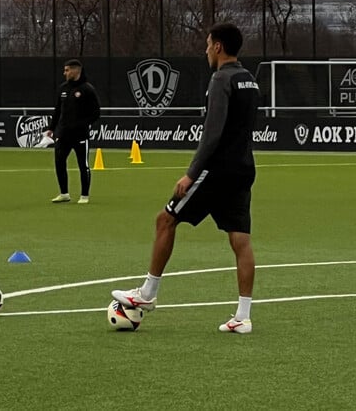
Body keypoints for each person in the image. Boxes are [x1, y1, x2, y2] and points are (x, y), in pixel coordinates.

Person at [111, 22, 260, 334]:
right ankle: (243, 316)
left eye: (208, 44)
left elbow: (212, 132)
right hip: (244, 168)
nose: (205, 49)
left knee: (165, 220)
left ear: (218, 46)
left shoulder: (221, 79)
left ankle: (147, 294)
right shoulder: (249, 80)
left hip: (217, 171)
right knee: (240, 240)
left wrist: (191, 174)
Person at [45, 59, 100, 204]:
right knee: (59, 162)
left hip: (80, 135)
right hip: (63, 134)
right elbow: (58, 110)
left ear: (76, 71)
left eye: (67, 70)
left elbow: (96, 113)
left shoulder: (87, 89)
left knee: (83, 165)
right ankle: (64, 193)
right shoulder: (63, 88)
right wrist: (52, 128)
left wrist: (82, 124)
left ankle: (84, 195)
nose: (65, 73)